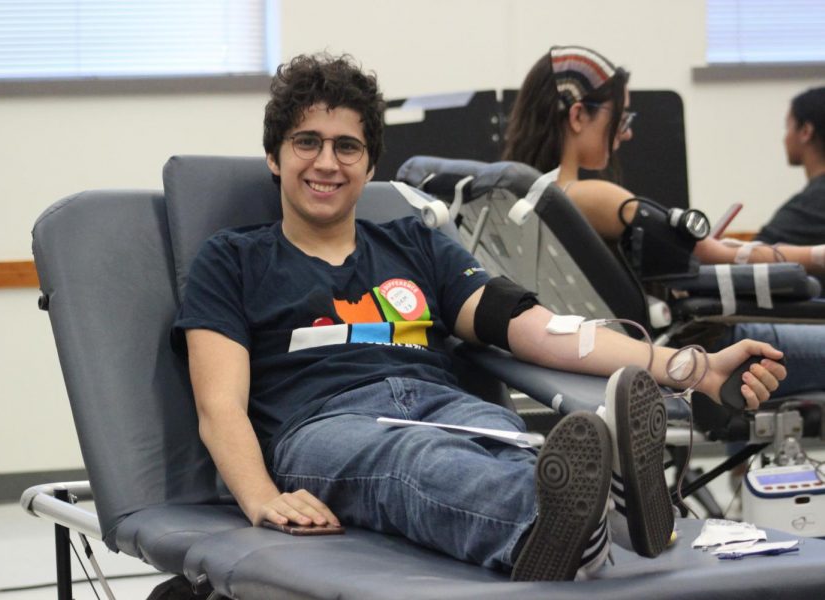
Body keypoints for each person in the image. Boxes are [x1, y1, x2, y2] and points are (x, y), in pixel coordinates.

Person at [173, 53, 785, 582]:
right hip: (323, 426)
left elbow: (540, 331)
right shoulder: (232, 260)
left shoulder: (414, 245)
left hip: (441, 403)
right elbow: (220, 405)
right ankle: (578, 523)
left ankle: (589, 522)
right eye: (306, 142)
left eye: (347, 146)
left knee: (512, 446)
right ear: (275, 158)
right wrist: (261, 498)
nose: (326, 162)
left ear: (370, 163)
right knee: (415, 462)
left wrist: (692, 367)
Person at [503, 45, 823, 397]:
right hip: (709, 347)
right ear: (578, 116)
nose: (626, 134)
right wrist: (815, 256)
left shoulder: (518, 195)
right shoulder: (591, 197)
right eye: (620, 119)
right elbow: (719, 254)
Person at [756, 86, 825, 246]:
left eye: (788, 127)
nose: (785, 138)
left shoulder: (813, 204)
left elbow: (758, 250)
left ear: (806, 132)